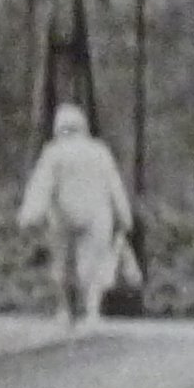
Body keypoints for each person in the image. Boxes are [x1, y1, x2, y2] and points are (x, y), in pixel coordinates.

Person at [16, 103, 139, 324]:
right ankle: (92, 310)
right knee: (93, 263)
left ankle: (64, 309)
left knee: (62, 264)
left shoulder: (53, 152)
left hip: (62, 215)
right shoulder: (99, 151)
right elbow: (114, 186)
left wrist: (30, 214)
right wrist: (124, 217)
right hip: (97, 215)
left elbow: (41, 185)